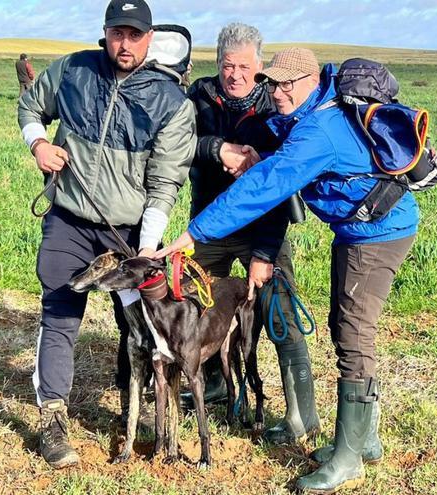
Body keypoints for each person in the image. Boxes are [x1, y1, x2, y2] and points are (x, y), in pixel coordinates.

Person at [156, 47, 418, 494]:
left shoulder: (320, 129)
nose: (275, 92)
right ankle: (364, 439)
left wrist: (196, 231)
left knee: (353, 337)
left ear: (311, 81)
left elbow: (266, 186)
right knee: (345, 328)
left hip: (378, 235)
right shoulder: (315, 113)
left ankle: (349, 457)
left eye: (284, 84)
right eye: (272, 83)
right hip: (359, 232)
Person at [17, 0, 196, 470]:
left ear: (149, 38)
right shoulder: (73, 70)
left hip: (129, 232)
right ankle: (53, 418)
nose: (125, 43)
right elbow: (31, 104)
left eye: (135, 35)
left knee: (140, 324)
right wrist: (38, 143)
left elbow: (165, 182)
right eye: (118, 33)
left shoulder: (171, 102)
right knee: (59, 309)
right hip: (69, 218)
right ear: (105, 32)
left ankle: (135, 410)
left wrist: (147, 247)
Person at [184, 23, 319, 446]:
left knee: (280, 313)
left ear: (260, 67)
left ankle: (302, 413)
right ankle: (214, 382)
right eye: (228, 65)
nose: (236, 74)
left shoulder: (275, 102)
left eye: (245, 66)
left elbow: (282, 182)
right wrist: (216, 149)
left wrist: (264, 251)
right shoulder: (199, 97)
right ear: (217, 64)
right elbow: (176, 142)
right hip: (209, 223)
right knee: (197, 303)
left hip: (264, 227)